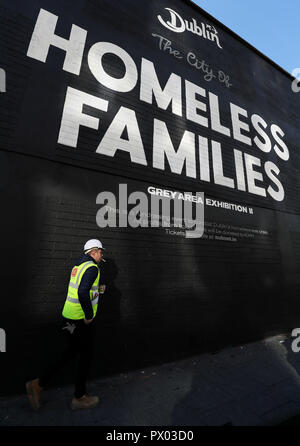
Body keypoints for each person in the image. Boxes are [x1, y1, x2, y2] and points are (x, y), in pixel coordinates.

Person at [26, 239, 106, 411]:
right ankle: (79, 397)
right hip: (80, 321)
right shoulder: (92, 268)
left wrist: (99, 290)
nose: (102, 255)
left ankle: (37, 384)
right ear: (93, 252)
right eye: (100, 252)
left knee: (70, 353)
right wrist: (89, 316)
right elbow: (83, 291)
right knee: (85, 356)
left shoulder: (78, 266)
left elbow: (86, 289)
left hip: (67, 320)